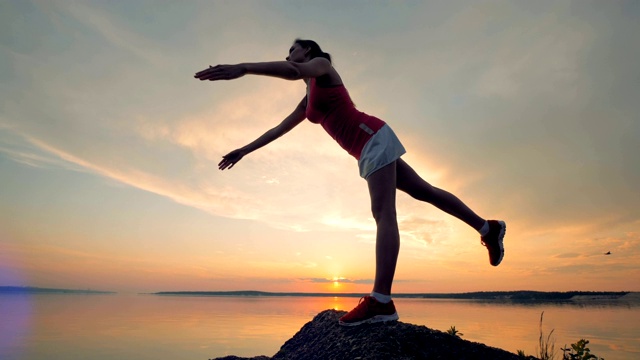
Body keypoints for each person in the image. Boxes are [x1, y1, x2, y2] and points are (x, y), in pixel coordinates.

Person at [195, 39, 506, 326]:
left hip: (370, 139)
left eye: (292, 49)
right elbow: (279, 128)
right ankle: (487, 228)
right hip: (368, 145)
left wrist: (245, 68)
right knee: (424, 191)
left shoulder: (322, 68)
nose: (288, 54)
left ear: (307, 51)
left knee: (383, 214)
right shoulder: (308, 100)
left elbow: (292, 70)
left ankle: (382, 301)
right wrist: (244, 150)